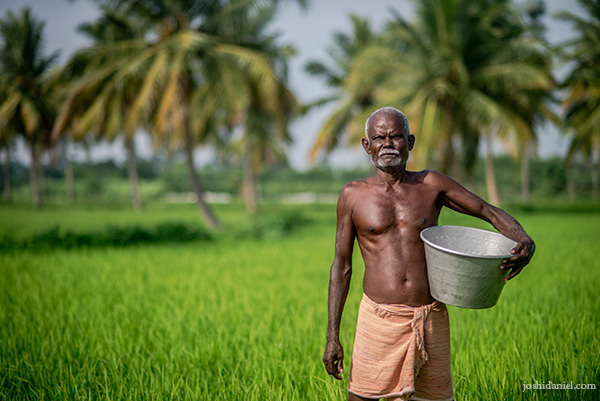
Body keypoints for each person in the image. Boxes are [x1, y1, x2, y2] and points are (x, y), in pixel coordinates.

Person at [322, 107, 535, 401]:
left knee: (432, 398)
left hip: (430, 316)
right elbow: (342, 267)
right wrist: (332, 336)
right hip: (378, 317)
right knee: (362, 396)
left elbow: (486, 210)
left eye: (396, 136)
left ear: (410, 142)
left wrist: (522, 238)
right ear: (366, 145)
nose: (387, 144)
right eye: (379, 137)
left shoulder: (431, 185)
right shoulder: (352, 195)